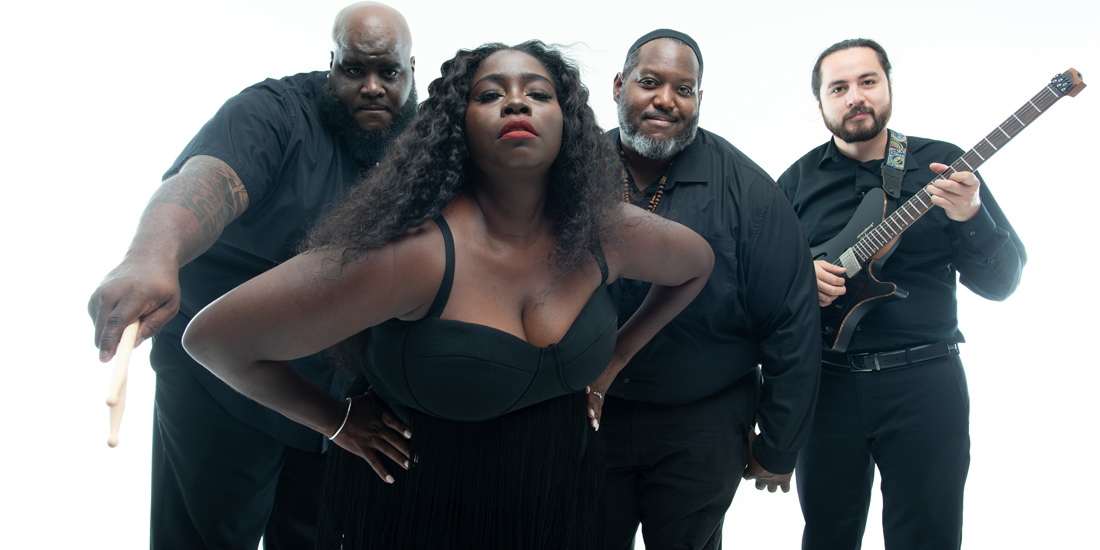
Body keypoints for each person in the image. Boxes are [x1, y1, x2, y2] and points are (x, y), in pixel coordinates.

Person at [181, 40, 714, 550]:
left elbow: (695, 266)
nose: (515, 102)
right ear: (455, 128)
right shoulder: (415, 255)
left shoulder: (605, 232)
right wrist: (335, 420)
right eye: (489, 94)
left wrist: (615, 358)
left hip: (553, 502)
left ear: (569, 123)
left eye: (538, 93)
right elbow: (215, 339)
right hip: (418, 514)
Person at [86, 3, 417, 548]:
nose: (372, 87)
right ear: (331, 62)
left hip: (340, 402)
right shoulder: (274, 112)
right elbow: (207, 181)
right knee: (207, 536)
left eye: (389, 72)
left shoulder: (420, 144)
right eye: (354, 70)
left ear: (412, 68)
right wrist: (152, 254)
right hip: (220, 386)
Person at [776, 38, 1026, 549]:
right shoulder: (793, 182)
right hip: (827, 390)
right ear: (820, 102)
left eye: (867, 81)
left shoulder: (946, 167)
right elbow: (757, 295)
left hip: (926, 385)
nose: (855, 97)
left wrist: (971, 216)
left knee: (928, 538)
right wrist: (800, 284)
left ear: (888, 85)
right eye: (838, 87)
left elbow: (1002, 284)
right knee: (826, 535)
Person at [597, 29, 820, 550]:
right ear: (617, 85)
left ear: (699, 99)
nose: (665, 101)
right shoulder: (565, 172)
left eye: (684, 89)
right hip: (587, 416)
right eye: (649, 82)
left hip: (701, 424)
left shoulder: (749, 192)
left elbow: (792, 321)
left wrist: (780, 445)